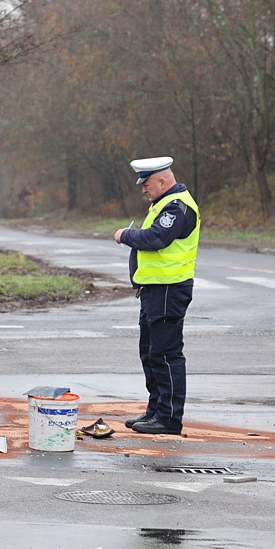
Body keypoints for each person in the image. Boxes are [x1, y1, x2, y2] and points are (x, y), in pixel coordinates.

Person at [113, 156, 200, 435]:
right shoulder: (162, 204)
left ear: (163, 180)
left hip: (168, 290)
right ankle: (156, 410)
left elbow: (155, 239)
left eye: (147, 183)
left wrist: (126, 234)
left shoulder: (177, 206)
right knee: (150, 353)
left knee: (165, 354)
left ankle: (169, 418)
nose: (143, 189)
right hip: (154, 291)